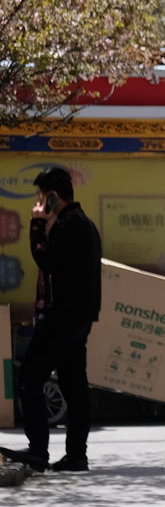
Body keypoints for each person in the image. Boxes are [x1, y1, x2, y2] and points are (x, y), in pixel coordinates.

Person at [4, 167, 101, 474]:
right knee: (74, 385)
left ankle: (38, 450)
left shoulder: (70, 225)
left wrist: (36, 224)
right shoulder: (81, 224)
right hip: (77, 316)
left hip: (65, 316)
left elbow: (45, 260)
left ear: (53, 196)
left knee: (30, 378)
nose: (39, 202)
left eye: (41, 197)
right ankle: (76, 455)